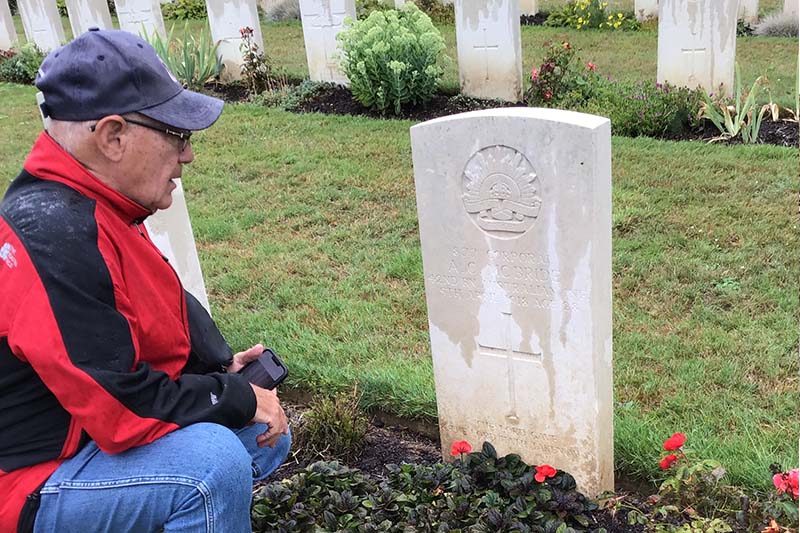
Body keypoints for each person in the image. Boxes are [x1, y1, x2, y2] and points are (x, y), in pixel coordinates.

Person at [0, 28, 290, 532]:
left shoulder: (92, 207)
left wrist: (221, 370)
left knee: (263, 433)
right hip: (30, 483)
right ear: (113, 136)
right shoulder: (52, 233)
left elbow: (133, 333)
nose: (188, 155)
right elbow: (119, 411)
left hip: (85, 439)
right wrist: (232, 395)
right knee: (210, 467)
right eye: (177, 136)